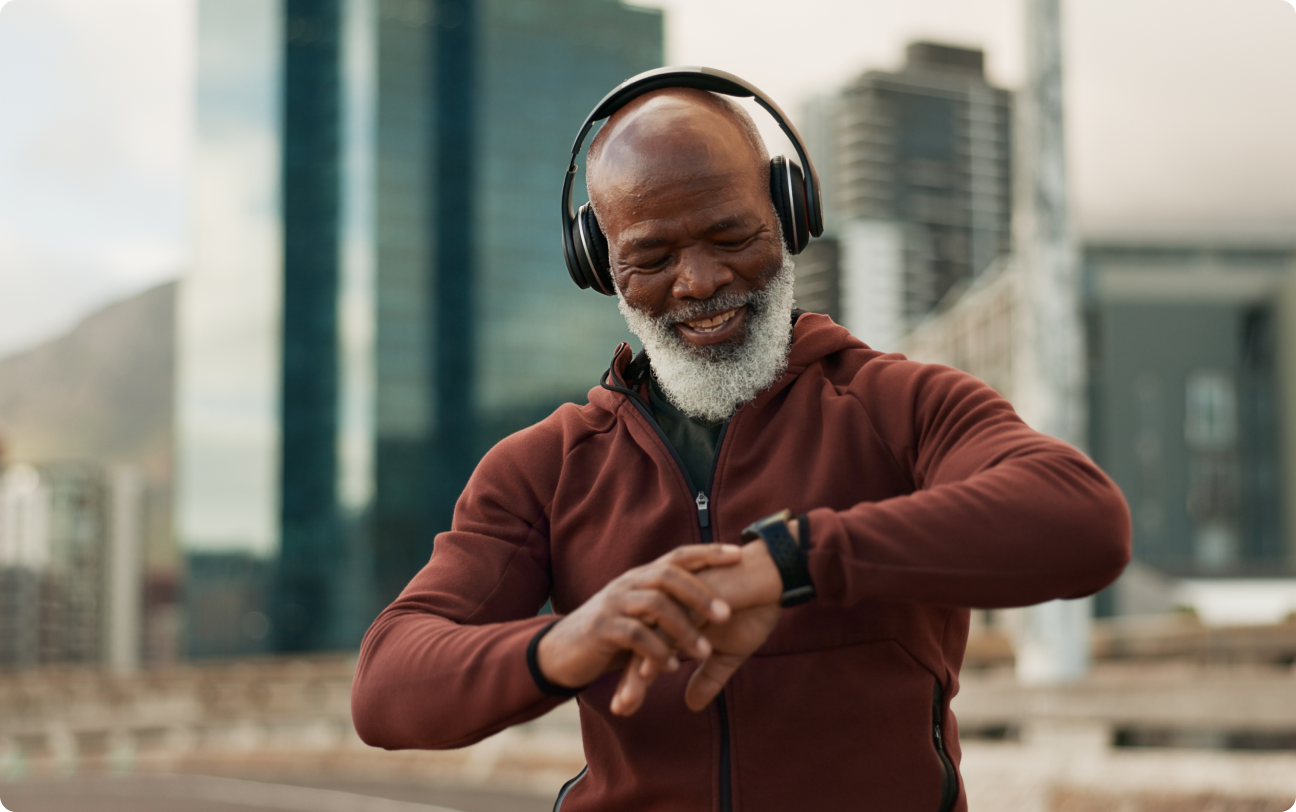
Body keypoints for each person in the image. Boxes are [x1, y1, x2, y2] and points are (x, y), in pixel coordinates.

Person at [350, 68, 1130, 812]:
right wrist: (566, 643)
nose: (698, 281)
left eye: (730, 236)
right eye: (650, 258)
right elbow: (386, 688)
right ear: (599, 264)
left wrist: (788, 564)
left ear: (789, 216)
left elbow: (1082, 520)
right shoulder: (543, 469)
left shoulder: (897, 404)